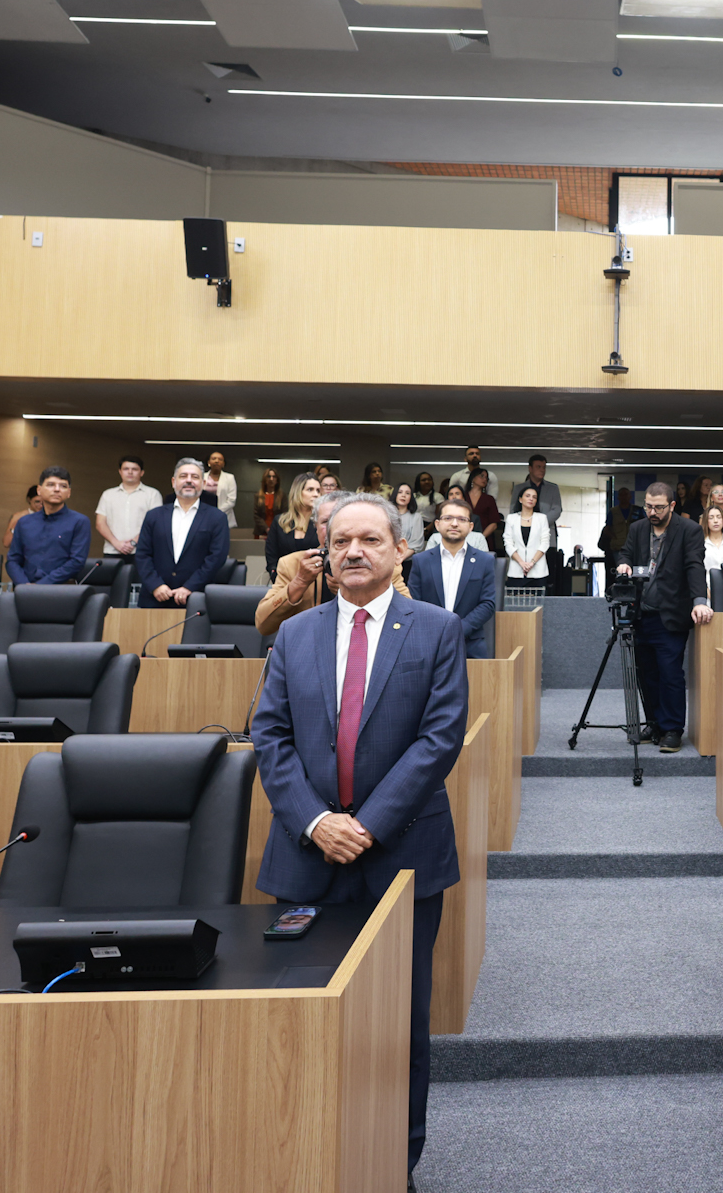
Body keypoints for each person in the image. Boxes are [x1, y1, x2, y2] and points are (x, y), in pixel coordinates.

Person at [247, 491, 465, 1182]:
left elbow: (439, 739)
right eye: (340, 541)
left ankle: (394, 1165)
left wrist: (365, 826)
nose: (354, 552)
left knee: (399, 1024)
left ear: (400, 550)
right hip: (306, 856)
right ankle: (302, 1160)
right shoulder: (296, 634)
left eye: (370, 540)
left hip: (401, 858)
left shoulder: (437, 629)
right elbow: (269, 735)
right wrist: (318, 821)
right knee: (299, 1019)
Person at [614, 481, 712, 753]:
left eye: (658, 507)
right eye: (648, 506)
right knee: (647, 674)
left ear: (672, 505)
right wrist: (623, 563)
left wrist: (699, 601)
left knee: (670, 674)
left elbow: (695, 566)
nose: (652, 512)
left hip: (671, 614)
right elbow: (625, 553)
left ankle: (672, 729)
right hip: (640, 614)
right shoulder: (638, 528)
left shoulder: (689, 530)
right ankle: (655, 723)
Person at [260, 495, 412, 636]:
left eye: (370, 539)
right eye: (326, 521)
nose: (353, 553)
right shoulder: (292, 564)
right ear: (315, 526)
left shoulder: (382, 564)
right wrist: (299, 583)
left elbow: (409, 617)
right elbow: (263, 624)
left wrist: (353, 592)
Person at [134, 458, 232, 608]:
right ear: (173, 482)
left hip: (196, 599)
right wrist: (155, 585)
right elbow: (142, 554)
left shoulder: (217, 518)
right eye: (183, 476)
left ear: (203, 483)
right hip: (155, 599)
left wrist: (189, 587)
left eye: (195, 477)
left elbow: (216, 558)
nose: (189, 481)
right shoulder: (154, 516)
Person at [408, 499, 498, 659]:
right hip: (429, 643)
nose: (454, 524)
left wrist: (458, 630)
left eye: (462, 519)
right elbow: (414, 602)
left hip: (470, 645)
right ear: (437, 524)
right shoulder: (421, 561)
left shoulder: (484, 561)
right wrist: (438, 632)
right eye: (448, 518)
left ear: (470, 527)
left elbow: (488, 604)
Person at [7, 467, 90, 585]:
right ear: (39, 490)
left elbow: (77, 561)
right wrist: (24, 585)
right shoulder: (24, 522)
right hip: (25, 588)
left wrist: (40, 586)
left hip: (62, 589)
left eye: (63, 486)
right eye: (51, 485)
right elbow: (13, 560)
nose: (57, 489)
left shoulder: (79, 521)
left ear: (69, 493)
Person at [94, 456, 161, 558]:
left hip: (142, 551)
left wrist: (133, 543)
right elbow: (100, 523)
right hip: (112, 550)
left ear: (142, 472)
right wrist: (116, 543)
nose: (130, 472)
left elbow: (155, 523)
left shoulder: (152, 494)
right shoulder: (108, 494)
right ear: (120, 472)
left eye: (134, 469)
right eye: (126, 469)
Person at [268, 473, 319, 579]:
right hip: (284, 580)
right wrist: (277, 577)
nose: (316, 494)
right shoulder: (280, 522)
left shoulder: (322, 522)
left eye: (318, 491)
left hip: (316, 581)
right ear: (298, 492)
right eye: (310, 490)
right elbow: (271, 557)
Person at [504, 485, 550, 581]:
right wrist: (522, 563)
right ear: (520, 499)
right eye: (528, 496)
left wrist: (532, 563)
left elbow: (545, 543)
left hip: (538, 571)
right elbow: (508, 543)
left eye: (534, 497)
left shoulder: (542, 518)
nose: (531, 499)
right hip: (516, 570)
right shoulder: (511, 518)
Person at [509, 455, 564, 525]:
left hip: (547, 527)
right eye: (538, 467)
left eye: (544, 467)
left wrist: (539, 523)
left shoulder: (553, 488)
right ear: (530, 468)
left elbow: (557, 510)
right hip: (523, 527)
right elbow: (513, 510)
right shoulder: (518, 488)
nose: (542, 470)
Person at [466, 468, 503, 554]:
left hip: (485, 537)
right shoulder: (463, 497)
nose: (484, 479)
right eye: (482, 476)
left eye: (486, 478)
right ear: (473, 478)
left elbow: (494, 523)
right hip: (463, 537)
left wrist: (481, 537)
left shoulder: (489, 499)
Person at [2, 486, 42, 559]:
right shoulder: (19, 516)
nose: (41, 505)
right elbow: (6, 543)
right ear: (29, 500)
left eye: (44, 502)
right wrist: (17, 523)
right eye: (37, 502)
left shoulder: (51, 516)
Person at [392, 483, 425, 563]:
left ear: (411, 497)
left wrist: (397, 560)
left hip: (406, 562)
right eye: (400, 492)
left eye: (407, 493)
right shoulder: (386, 515)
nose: (403, 495)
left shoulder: (416, 517)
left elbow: (416, 544)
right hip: (386, 559)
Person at [205, 451, 238, 528]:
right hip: (204, 516)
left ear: (223, 464)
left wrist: (216, 512)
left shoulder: (230, 478)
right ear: (209, 462)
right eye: (214, 458)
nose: (217, 461)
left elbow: (231, 500)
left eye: (220, 459)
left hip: (223, 516)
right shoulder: (201, 477)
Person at [253, 468, 280, 535]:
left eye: (274, 477)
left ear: (277, 480)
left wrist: (274, 529)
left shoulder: (282, 496)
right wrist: (266, 528)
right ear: (265, 480)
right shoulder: (258, 496)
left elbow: (284, 514)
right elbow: (256, 515)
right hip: (260, 531)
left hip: (277, 530)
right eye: (269, 476)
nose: (271, 479)